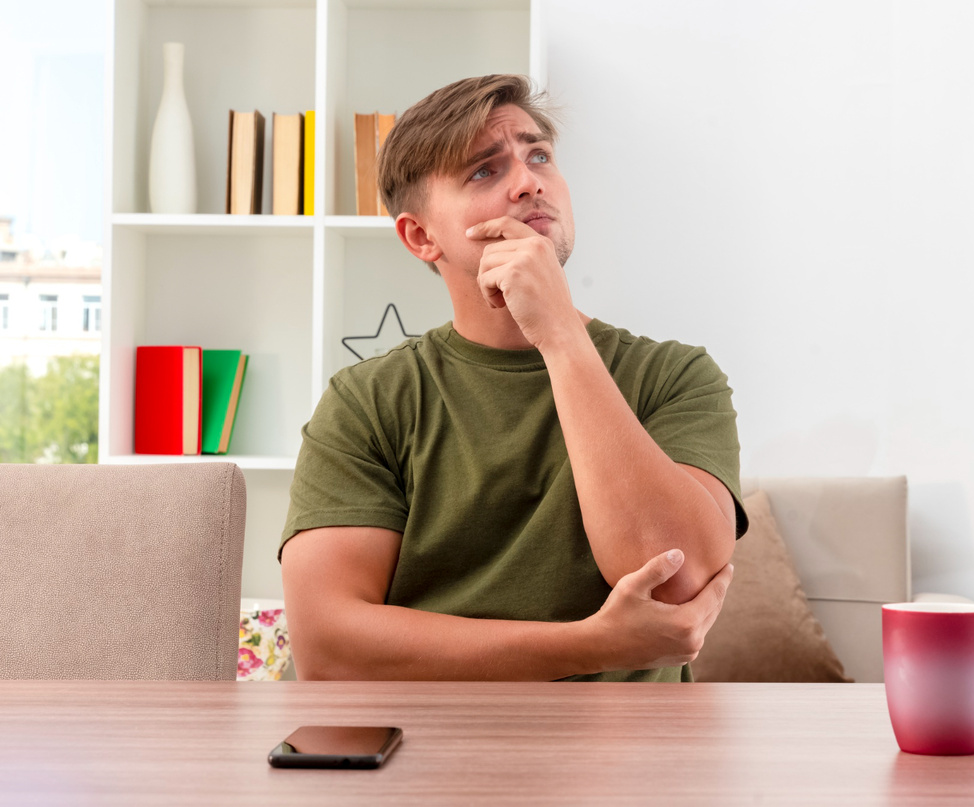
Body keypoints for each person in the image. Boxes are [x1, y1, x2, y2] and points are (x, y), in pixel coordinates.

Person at [279, 74, 748, 682]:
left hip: (625, 760)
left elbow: (675, 578)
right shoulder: (367, 401)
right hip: (420, 752)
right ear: (421, 236)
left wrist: (559, 334)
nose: (529, 182)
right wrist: (591, 645)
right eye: (484, 171)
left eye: (539, 156)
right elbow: (328, 646)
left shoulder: (675, 377)